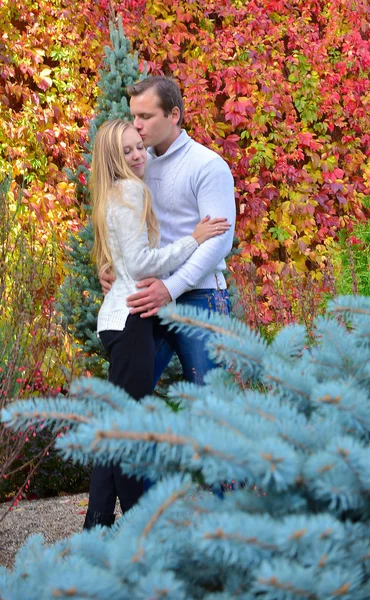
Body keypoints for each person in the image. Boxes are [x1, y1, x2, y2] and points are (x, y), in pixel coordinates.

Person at [83, 119, 230, 529]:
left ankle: (98, 522)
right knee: (128, 427)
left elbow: (121, 258)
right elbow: (142, 263)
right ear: (114, 157)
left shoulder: (111, 193)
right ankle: (136, 524)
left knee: (118, 424)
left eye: (139, 147)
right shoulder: (130, 190)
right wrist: (195, 239)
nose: (138, 155)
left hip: (119, 318)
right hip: (131, 318)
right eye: (128, 150)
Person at [101, 76, 236, 385]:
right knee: (129, 393)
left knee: (209, 404)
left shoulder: (207, 165)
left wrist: (172, 288)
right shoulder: (136, 162)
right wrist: (109, 266)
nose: (136, 125)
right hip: (148, 299)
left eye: (145, 116)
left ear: (173, 115)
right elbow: (116, 218)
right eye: (134, 116)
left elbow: (219, 240)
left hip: (200, 298)